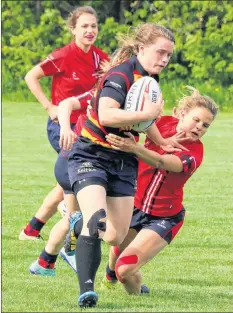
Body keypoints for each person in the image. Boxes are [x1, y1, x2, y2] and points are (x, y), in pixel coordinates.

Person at [67, 23, 187, 308]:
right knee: (97, 218)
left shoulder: (148, 77)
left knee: (115, 236)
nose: (165, 60)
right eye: (160, 52)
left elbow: (145, 120)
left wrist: (162, 141)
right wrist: (147, 112)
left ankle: (77, 222)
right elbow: (107, 115)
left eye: (169, 55)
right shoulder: (120, 75)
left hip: (123, 162)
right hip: (92, 155)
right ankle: (86, 291)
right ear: (141, 48)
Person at [101, 86, 218, 295]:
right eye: (196, 120)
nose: (200, 127)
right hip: (134, 206)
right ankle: (110, 275)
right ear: (182, 114)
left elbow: (161, 161)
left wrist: (134, 148)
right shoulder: (161, 124)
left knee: (124, 270)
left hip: (164, 218)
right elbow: (135, 121)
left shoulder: (195, 152)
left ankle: (137, 298)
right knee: (116, 249)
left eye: (205, 125)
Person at [19, 6, 109, 241]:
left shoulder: (100, 58)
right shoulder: (64, 55)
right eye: (84, 26)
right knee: (75, 178)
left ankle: (32, 229)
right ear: (73, 29)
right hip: (63, 128)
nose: (90, 30)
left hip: (85, 130)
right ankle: (70, 220)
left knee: (67, 180)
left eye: (94, 25)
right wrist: (50, 107)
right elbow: (31, 76)